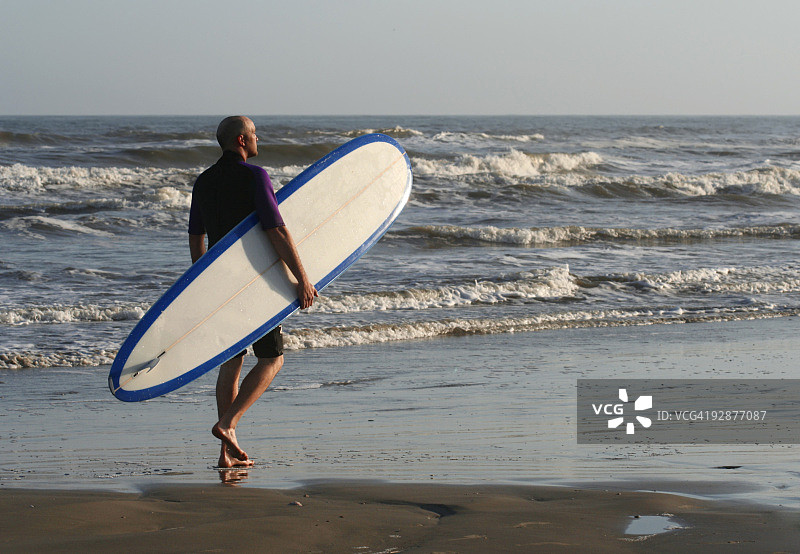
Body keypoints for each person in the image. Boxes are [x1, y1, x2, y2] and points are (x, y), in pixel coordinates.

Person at [188, 116, 318, 468]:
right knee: (272, 358)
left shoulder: (203, 182)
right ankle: (228, 424)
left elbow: (195, 238)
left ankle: (226, 453)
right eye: (255, 133)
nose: (259, 138)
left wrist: (202, 283)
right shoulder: (255, 177)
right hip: (255, 284)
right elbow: (277, 231)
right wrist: (302, 278)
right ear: (242, 141)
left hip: (220, 285)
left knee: (232, 360)